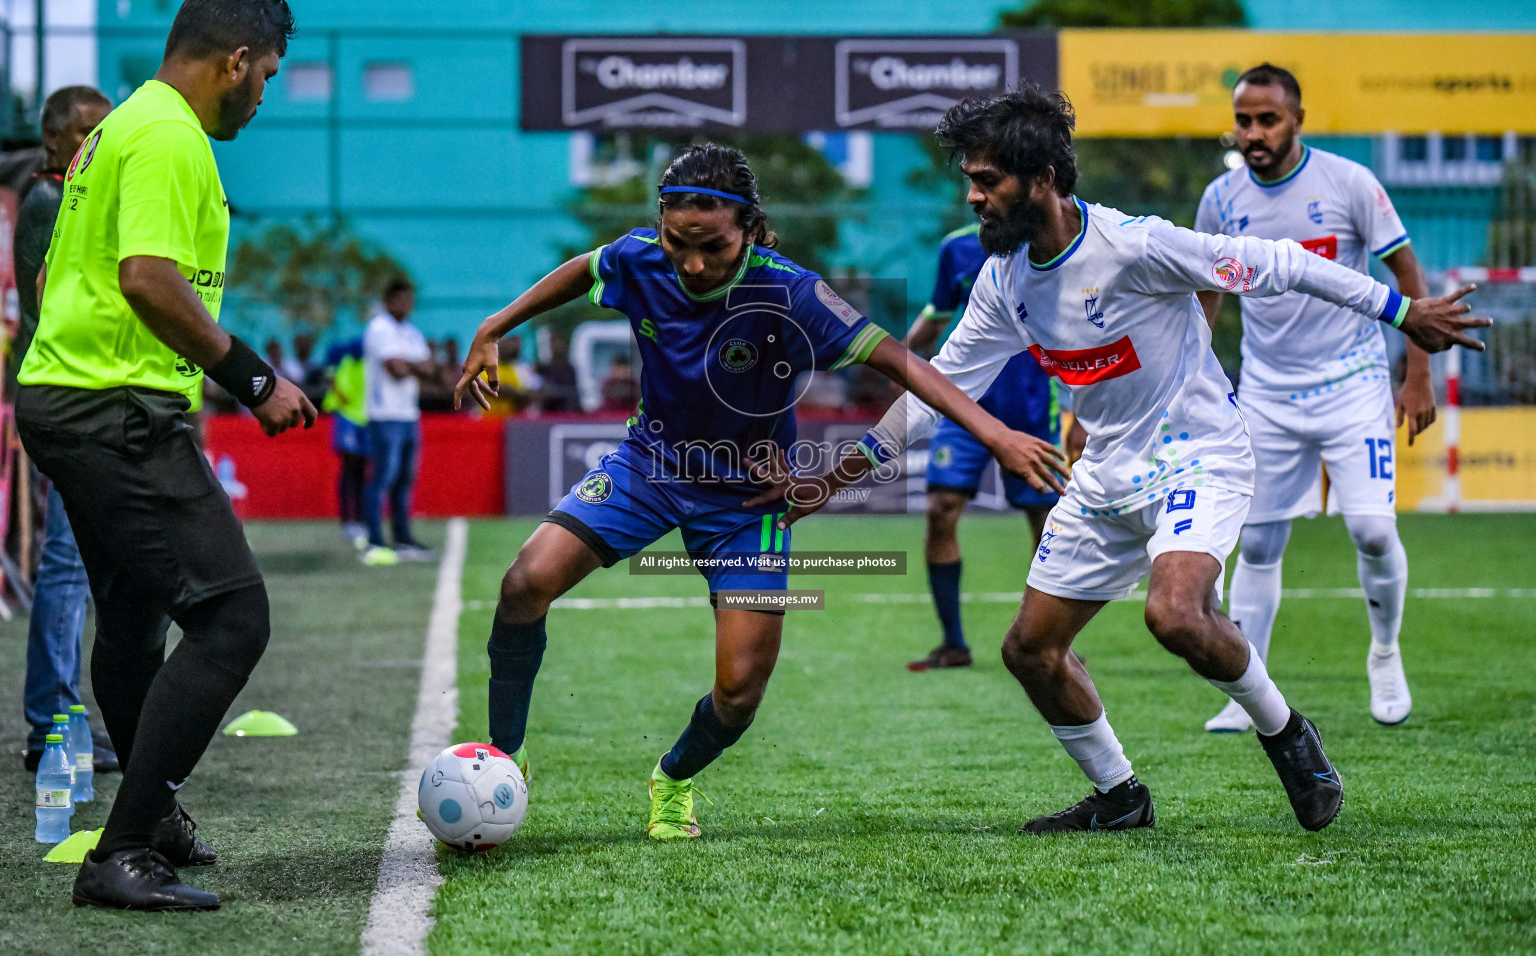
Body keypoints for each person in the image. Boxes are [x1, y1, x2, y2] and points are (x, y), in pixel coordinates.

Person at [767, 85, 1486, 834]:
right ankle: (1121, 797)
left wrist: (1405, 313)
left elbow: (1278, 263)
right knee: (1029, 651)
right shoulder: (1004, 281)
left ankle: (1287, 734)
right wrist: (832, 481)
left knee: (1174, 614)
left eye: (987, 180)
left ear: (1041, 179)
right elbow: (934, 391)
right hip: (1106, 471)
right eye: (969, 180)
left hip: (1198, 456)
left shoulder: (1136, 246)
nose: (974, 196)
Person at [453, 143, 1066, 841]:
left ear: (748, 227)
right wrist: (493, 327)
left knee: (740, 691)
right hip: (648, 466)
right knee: (525, 582)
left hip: (748, 500)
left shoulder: (789, 290)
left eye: (711, 246)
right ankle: (504, 759)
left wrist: (996, 435)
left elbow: (901, 361)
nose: (691, 263)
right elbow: (585, 270)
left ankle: (674, 778)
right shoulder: (639, 256)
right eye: (677, 242)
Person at [16, 0, 315, 910]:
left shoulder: (122, 125)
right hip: (114, 409)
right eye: (264, 74)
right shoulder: (167, 136)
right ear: (233, 61)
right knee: (233, 617)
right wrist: (256, 379)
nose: (263, 94)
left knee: (135, 620)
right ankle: (127, 843)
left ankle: (156, 814)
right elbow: (148, 279)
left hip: (70, 397)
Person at [1195, 65, 1432, 731]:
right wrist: (1191, 377)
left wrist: (1417, 376)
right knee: (1260, 542)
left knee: (1372, 531)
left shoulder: (1349, 183)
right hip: (1268, 393)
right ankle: (1249, 691)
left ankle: (1384, 653)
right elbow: (1204, 293)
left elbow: (1408, 276)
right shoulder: (1221, 198)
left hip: (1352, 385)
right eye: (1244, 120)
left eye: (1267, 119)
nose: (1253, 133)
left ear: (1297, 119)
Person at [902, 223, 1070, 671]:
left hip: (1032, 408)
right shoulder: (955, 249)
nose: (981, 194)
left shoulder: (1052, 240)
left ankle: (1050, 643)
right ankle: (953, 643)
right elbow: (937, 316)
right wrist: (895, 356)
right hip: (962, 405)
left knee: (1045, 524)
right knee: (940, 508)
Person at [15, 85, 119, 774]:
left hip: (77, 398)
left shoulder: (69, 199)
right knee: (66, 562)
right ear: (54, 140)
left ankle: (58, 715)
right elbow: (56, 301)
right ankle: (51, 721)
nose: (96, 146)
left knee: (83, 562)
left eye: (103, 134)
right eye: (86, 134)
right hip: (65, 398)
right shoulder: (49, 203)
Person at [361, 278, 435, 565]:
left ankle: (403, 538)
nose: (408, 305)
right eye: (402, 299)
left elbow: (429, 369)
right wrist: (413, 365)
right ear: (389, 300)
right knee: (382, 478)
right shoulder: (380, 328)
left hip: (408, 414)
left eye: (410, 299)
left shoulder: (411, 333)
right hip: (384, 414)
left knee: (404, 480)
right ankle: (374, 541)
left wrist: (411, 365)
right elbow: (396, 370)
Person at [322, 336, 369, 548]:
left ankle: (359, 518)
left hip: (364, 419)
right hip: (346, 419)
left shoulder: (367, 364)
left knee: (360, 470)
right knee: (349, 469)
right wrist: (340, 395)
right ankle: (347, 520)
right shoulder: (345, 359)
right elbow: (330, 377)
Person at [489, 334, 541, 415]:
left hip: (511, 421)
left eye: (517, 344)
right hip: (489, 420)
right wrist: (518, 393)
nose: (514, 347)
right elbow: (495, 388)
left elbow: (532, 393)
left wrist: (518, 394)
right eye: (510, 343)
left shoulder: (518, 369)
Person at [534, 331, 581, 413]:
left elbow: (573, 393)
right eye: (552, 341)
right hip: (547, 414)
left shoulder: (569, 369)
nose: (554, 345)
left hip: (565, 413)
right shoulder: (543, 368)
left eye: (557, 341)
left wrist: (553, 392)